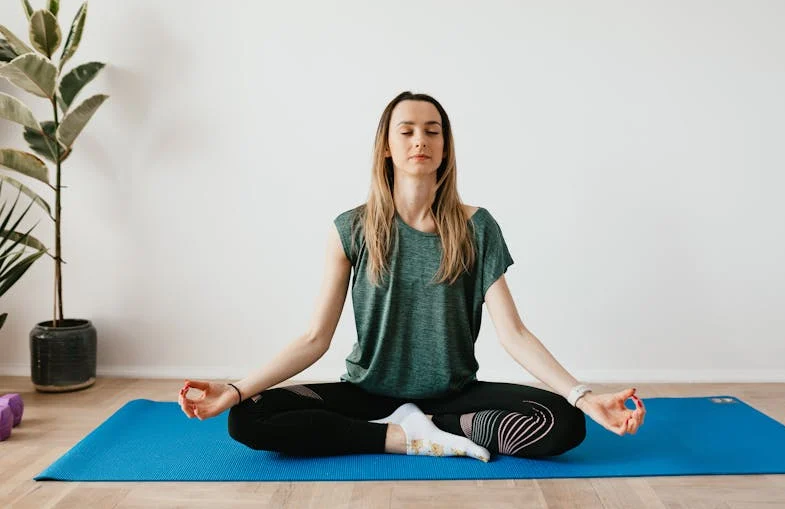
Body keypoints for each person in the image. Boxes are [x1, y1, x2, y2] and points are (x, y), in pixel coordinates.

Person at [178, 91, 646, 462]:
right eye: (406, 131)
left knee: (564, 422)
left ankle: (437, 429)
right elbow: (314, 338)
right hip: (368, 394)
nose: (420, 140)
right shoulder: (352, 229)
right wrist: (236, 388)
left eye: (432, 131)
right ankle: (406, 437)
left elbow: (515, 334)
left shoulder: (476, 227)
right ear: (387, 146)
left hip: (455, 396)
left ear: (445, 147)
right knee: (248, 417)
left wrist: (584, 397)